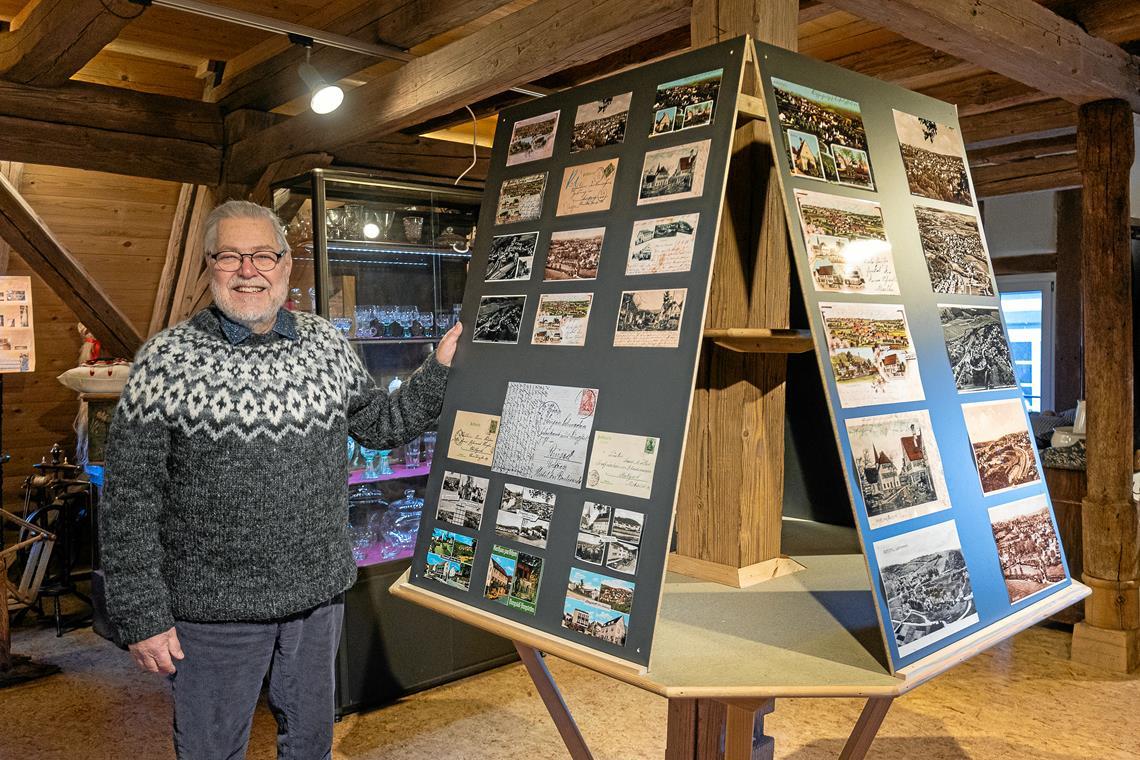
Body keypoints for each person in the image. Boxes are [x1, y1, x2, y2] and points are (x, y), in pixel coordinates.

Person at [99, 200, 461, 759]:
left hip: (316, 603)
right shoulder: (166, 361)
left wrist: (438, 368)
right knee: (211, 750)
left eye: (263, 254)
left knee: (311, 746)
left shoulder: (326, 345)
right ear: (208, 266)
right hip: (212, 612)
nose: (249, 270)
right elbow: (128, 500)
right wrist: (142, 615)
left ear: (286, 265)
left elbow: (383, 426)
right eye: (230, 256)